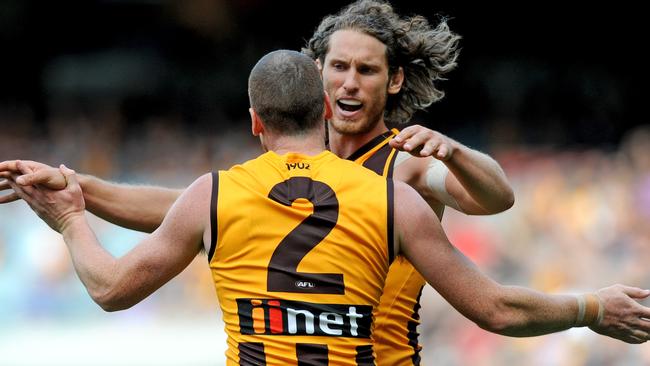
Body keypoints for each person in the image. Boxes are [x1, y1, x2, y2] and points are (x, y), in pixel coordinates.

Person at [4, 50, 650, 366]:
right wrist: (591, 307)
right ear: (323, 111)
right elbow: (496, 309)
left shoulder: (216, 194)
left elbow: (112, 289)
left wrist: (71, 217)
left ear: (254, 122)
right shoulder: (394, 199)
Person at [0, 1, 515, 364]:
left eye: (366, 70)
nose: (350, 82)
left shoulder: (407, 165)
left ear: (394, 79)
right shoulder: (292, 161)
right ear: (317, 73)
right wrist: (73, 185)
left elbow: (494, 198)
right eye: (338, 67)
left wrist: (459, 153)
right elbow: (183, 208)